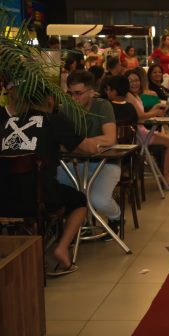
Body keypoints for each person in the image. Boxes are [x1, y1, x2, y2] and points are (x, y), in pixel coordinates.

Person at [0, 90, 94, 276]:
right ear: (50, 100)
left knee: (33, 190)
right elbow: (87, 148)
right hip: (41, 198)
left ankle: (31, 249)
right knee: (79, 200)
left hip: (5, 200)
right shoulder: (53, 120)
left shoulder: (11, 121)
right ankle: (61, 249)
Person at [60, 71, 122, 235]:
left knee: (99, 200)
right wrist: (88, 144)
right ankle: (75, 225)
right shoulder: (66, 108)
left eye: (78, 93)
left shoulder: (102, 106)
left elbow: (110, 138)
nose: (74, 98)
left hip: (105, 163)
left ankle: (116, 216)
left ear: (91, 92)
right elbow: (61, 143)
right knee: (49, 184)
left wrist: (79, 144)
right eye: (70, 93)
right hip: (75, 164)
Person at [126, 69, 169, 189]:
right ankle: (165, 176)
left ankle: (166, 175)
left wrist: (156, 107)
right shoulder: (131, 95)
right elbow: (141, 116)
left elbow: (168, 102)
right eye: (131, 81)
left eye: (136, 80)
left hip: (144, 127)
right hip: (139, 132)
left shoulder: (141, 94)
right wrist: (156, 112)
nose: (134, 83)